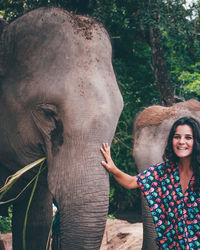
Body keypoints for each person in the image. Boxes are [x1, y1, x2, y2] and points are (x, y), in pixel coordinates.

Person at [101, 116, 200, 249]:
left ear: (196, 141)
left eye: (188, 137)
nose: (181, 142)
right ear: (172, 140)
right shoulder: (163, 171)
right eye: (177, 137)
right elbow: (131, 182)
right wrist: (113, 168)